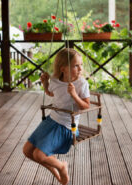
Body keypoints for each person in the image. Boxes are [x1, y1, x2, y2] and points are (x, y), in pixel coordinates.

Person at [23, 48, 90, 185]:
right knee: (27, 151)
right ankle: (56, 172)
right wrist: (45, 84)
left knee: (39, 155)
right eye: (76, 65)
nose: (80, 68)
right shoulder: (55, 81)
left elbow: (86, 106)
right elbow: (52, 94)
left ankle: (61, 166)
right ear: (63, 68)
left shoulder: (82, 84)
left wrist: (74, 95)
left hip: (66, 126)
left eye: (81, 64)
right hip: (51, 120)